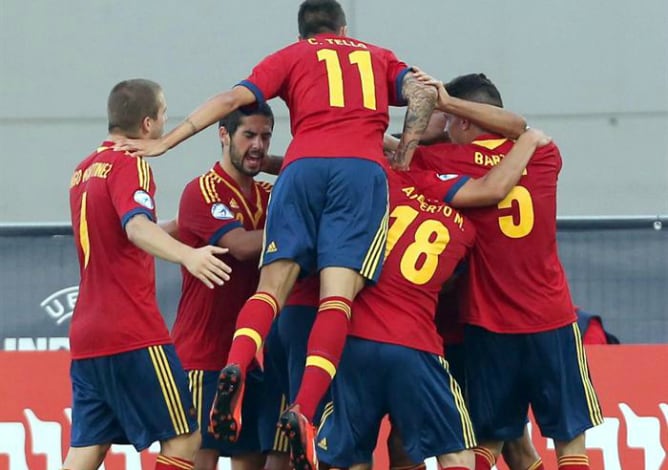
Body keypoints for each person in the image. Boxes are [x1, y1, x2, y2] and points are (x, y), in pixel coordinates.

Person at [413, 73, 603, 470]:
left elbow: (401, 155)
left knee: (488, 440)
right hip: (551, 318)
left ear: (465, 121)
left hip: (491, 324)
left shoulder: (444, 160)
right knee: (570, 443)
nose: (446, 130)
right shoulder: (545, 155)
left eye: (450, 122)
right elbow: (522, 128)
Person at [64, 79, 232, 470]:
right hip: (131, 331)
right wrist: (189, 256)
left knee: (89, 447)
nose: (165, 121)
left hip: (87, 334)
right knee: (186, 437)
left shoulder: (83, 170)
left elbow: (122, 232)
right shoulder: (131, 163)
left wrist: (181, 227)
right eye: (162, 113)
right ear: (146, 124)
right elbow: (135, 228)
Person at [172, 104, 275, 470]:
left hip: (247, 359)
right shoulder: (202, 191)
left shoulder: (267, 194)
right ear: (223, 135)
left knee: (251, 457)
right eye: (249, 135)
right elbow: (243, 247)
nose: (258, 145)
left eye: (265, 137)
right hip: (202, 357)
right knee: (201, 457)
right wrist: (300, 230)